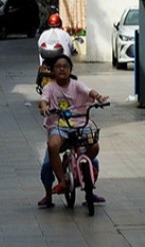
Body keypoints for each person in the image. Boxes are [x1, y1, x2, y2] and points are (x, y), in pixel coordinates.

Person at [36, 55, 107, 208]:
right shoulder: (49, 88)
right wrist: (44, 107)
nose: (62, 69)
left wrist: (99, 97)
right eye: (58, 66)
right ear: (53, 71)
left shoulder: (76, 85)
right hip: (59, 127)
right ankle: (56, 187)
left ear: (70, 70)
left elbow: (89, 91)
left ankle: (89, 190)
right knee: (50, 154)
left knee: (93, 151)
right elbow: (44, 100)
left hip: (80, 126)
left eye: (65, 66)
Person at [35, 13, 73, 91]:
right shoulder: (65, 34)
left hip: (45, 63)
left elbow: (39, 45)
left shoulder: (44, 34)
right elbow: (71, 46)